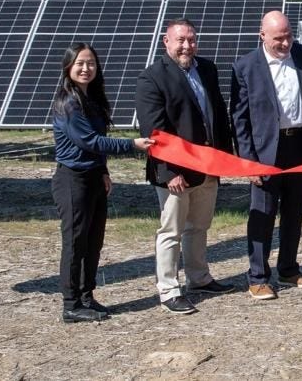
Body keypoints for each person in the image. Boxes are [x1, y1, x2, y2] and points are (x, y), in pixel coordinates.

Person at [231, 11, 302, 300]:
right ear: (262, 35)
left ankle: (288, 269)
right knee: (263, 214)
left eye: (289, 36)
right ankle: (258, 277)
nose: (286, 43)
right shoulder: (245, 67)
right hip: (265, 152)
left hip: (299, 146)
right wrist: (248, 161)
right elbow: (239, 119)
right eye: (279, 38)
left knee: (294, 211)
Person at [135, 18, 236, 315]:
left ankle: (199, 278)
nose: (187, 46)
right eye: (180, 40)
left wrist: (224, 158)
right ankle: (168, 289)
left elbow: (218, 114)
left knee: (199, 227)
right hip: (175, 172)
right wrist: (169, 172)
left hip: (208, 167)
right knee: (171, 231)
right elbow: (154, 130)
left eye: (191, 40)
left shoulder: (207, 69)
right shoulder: (152, 77)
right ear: (166, 42)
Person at [51, 42, 153, 323]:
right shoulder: (68, 103)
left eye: (91, 63)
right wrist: (132, 145)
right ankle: (70, 304)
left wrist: (103, 171)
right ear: (68, 67)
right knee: (75, 243)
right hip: (72, 180)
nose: (86, 68)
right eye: (80, 63)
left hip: (93, 176)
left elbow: (96, 146)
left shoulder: (91, 100)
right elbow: (91, 141)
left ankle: (86, 296)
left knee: (93, 242)